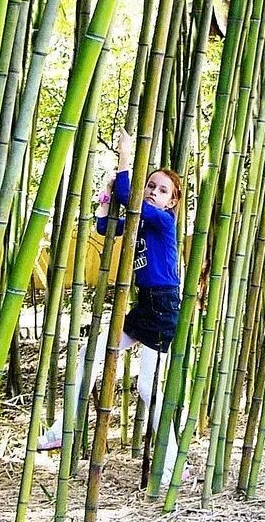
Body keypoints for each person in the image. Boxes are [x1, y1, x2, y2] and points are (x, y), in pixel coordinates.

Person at [37, 130, 186, 482]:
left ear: (171, 203)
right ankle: (59, 431)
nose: (154, 191)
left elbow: (127, 197)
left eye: (163, 190)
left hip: (163, 308)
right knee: (92, 354)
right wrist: (105, 193)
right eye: (151, 185)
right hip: (144, 306)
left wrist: (124, 156)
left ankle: (170, 465)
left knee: (147, 388)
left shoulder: (162, 222)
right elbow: (106, 226)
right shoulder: (142, 223)